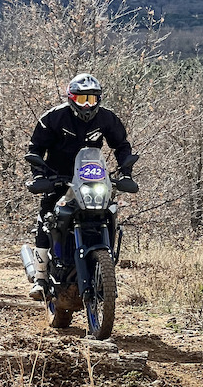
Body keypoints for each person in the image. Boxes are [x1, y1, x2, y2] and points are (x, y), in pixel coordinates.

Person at [26, 72, 136, 300]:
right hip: (58, 177)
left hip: (92, 178)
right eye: (81, 99)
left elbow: (122, 146)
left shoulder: (107, 119)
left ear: (99, 100)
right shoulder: (53, 118)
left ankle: (103, 265)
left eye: (92, 99)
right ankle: (40, 277)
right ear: (71, 98)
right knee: (47, 217)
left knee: (108, 212)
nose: (87, 105)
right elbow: (35, 148)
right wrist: (39, 175)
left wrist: (125, 172)